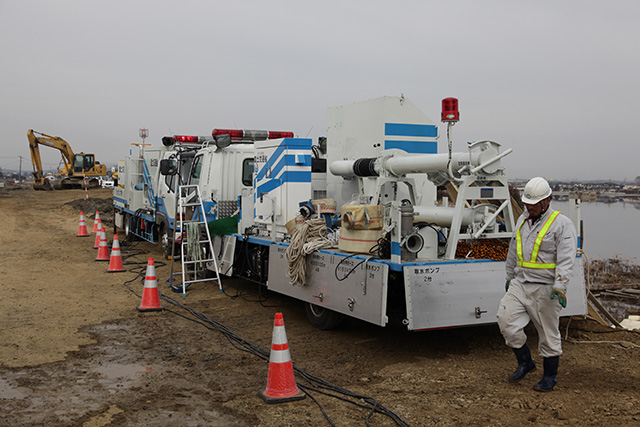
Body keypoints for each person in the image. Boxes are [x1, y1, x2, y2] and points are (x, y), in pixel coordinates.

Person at [497, 177, 577, 392]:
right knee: (506, 322)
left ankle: (550, 376)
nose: (529, 208)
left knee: (548, 333)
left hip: (546, 287)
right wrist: (508, 278)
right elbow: (513, 252)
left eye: (534, 204)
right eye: (527, 204)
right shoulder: (523, 220)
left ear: (547, 201)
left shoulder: (562, 224)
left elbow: (566, 259)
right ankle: (526, 362)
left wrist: (560, 286)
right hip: (520, 283)